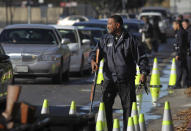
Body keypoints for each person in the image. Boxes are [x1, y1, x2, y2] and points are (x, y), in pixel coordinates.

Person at [89, 15, 149, 131]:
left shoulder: (131, 40)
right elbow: (94, 52)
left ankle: (128, 129)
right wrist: (92, 61)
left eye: (110, 23)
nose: (108, 26)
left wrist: (144, 73)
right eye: (108, 24)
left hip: (126, 80)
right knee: (105, 107)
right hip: (109, 80)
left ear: (118, 25)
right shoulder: (105, 39)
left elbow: (142, 58)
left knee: (128, 109)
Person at [173, 20, 188, 88]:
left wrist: (178, 54)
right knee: (184, 69)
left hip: (180, 53)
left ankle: (177, 84)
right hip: (183, 53)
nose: (173, 26)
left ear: (177, 25)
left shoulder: (180, 33)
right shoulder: (181, 32)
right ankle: (184, 84)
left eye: (174, 25)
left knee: (179, 69)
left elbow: (180, 44)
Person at [182, 19, 191, 88]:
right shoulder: (186, 31)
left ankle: (188, 85)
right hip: (186, 53)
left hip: (189, 53)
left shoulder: (189, 31)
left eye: (185, 24)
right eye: (182, 25)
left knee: (188, 69)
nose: (183, 26)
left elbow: (187, 42)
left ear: (188, 24)